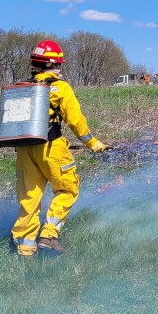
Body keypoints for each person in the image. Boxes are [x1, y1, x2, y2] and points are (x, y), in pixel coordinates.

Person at [12, 40, 110, 256]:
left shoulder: (23, 88)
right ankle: (49, 234)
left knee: (30, 198)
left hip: (24, 150)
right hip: (51, 148)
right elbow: (75, 121)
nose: (61, 69)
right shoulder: (60, 88)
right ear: (54, 64)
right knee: (67, 189)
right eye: (60, 64)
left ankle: (25, 250)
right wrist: (93, 144)